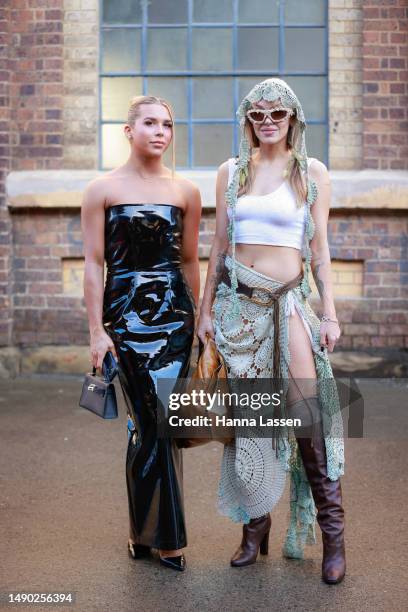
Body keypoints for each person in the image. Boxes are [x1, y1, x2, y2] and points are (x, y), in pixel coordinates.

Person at [197, 78, 345, 584]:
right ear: (247, 120)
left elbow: (320, 250)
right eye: (258, 115)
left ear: (292, 119)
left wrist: (329, 312)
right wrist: (205, 313)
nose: (267, 122)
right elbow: (218, 245)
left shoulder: (311, 172)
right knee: (249, 424)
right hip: (238, 309)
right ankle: (253, 529)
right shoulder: (230, 172)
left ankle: (333, 537)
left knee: (307, 419)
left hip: (288, 307)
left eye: (276, 114)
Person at [81, 95, 201, 571]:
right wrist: (96, 330)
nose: (160, 132)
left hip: (174, 315)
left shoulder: (187, 191)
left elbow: (191, 261)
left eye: (168, 125)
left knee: (157, 424)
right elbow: (93, 263)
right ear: (128, 130)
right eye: (150, 123)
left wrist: (200, 320)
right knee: (150, 418)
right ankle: (163, 538)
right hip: (125, 316)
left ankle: (146, 534)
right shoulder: (101, 189)